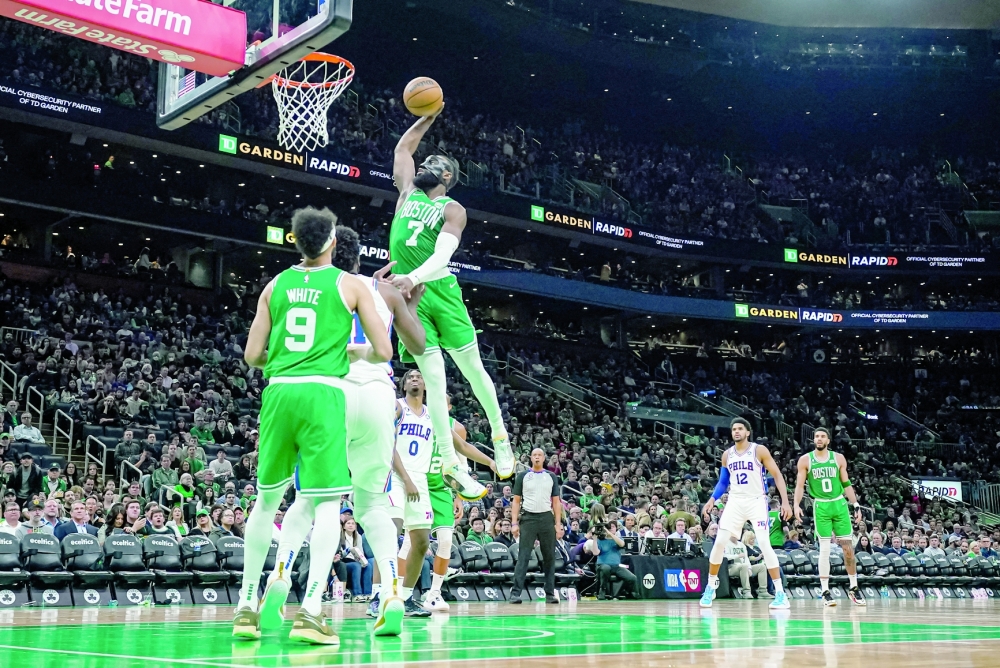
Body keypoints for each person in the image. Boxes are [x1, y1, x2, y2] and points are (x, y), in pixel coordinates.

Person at [232, 206, 392, 645]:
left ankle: (246, 607)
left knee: (266, 505)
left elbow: (252, 355)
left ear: (295, 241)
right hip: (324, 393)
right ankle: (312, 611)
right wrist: (351, 354)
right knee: (325, 505)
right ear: (333, 242)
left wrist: (286, 361)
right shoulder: (351, 284)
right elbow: (383, 351)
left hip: (279, 391)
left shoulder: (275, 284)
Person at [262, 224, 427, 638]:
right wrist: (411, 304)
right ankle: (391, 591)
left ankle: (284, 579)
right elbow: (419, 346)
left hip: (333, 396)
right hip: (377, 397)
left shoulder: (323, 287)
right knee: (372, 506)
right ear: (361, 255)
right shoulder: (384, 292)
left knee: (313, 501)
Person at [387, 107, 515, 501]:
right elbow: (403, 149)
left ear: (446, 176)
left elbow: (444, 255)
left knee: (473, 370)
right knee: (434, 380)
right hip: (411, 299)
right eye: (424, 160)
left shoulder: (451, 208)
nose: (423, 163)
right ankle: (449, 460)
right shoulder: (407, 193)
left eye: (434, 163)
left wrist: (413, 277)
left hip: (439, 289)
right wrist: (427, 118)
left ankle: (500, 435)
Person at [700, 418, 792, 610]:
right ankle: (710, 587)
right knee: (719, 542)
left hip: (757, 500)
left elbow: (777, 475)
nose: (736, 431)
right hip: (735, 501)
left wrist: (785, 501)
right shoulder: (727, 455)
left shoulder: (759, 450)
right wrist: (712, 500)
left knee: (765, 544)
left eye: (740, 428)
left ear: (748, 432)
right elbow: (723, 482)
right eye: (734, 429)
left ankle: (780, 593)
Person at [794, 427, 866, 607]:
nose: (819, 439)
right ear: (814, 440)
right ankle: (825, 591)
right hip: (821, 506)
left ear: (828, 440)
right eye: (816, 436)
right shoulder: (805, 460)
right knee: (824, 549)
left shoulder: (838, 458)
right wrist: (796, 504)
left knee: (848, 548)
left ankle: (854, 588)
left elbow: (846, 483)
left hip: (840, 503)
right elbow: (800, 485)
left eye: (822, 436)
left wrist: (856, 505)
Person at [509, 448, 562, 604]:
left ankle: (550, 593)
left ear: (544, 458)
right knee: (523, 556)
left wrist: (558, 524)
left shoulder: (551, 476)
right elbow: (516, 501)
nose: (537, 457)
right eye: (535, 455)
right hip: (528, 518)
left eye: (540, 455)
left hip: (546, 518)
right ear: (531, 458)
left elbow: (556, 502)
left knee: (549, 557)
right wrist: (514, 523)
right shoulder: (523, 476)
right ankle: (516, 593)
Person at [724, 532, 766, 598]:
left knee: (762, 567)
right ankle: (746, 591)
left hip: (744, 566)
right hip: (731, 567)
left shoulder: (741, 545)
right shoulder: (725, 544)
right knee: (744, 566)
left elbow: (746, 558)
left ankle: (763, 591)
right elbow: (725, 556)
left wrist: (749, 568)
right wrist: (737, 556)